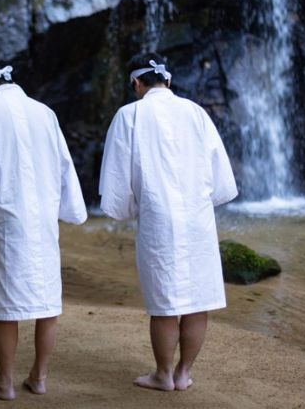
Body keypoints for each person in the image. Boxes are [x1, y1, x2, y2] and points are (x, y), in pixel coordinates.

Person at [99, 52, 238, 392]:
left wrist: (126, 209)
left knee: (165, 302)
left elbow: (118, 178)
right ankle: (183, 373)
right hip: (198, 217)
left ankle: (162, 374)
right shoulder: (195, 112)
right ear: (169, 81)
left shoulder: (129, 114)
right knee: (197, 300)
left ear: (136, 83)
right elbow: (221, 179)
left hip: (159, 218)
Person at [0, 60, 87, 400]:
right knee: (46, 302)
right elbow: (64, 164)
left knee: (6, 306)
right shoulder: (44, 113)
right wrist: (70, 209)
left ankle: (5, 383)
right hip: (43, 219)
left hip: (8, 221)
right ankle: (39, 377)